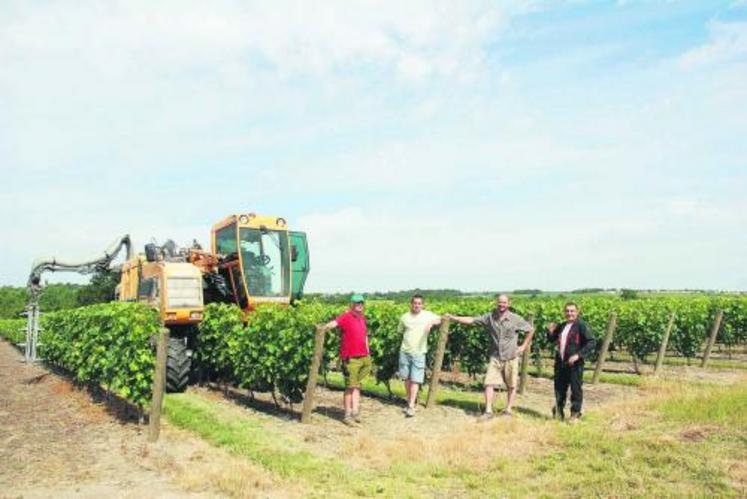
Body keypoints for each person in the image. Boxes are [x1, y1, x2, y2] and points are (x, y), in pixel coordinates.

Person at [446, 294, 534, 420]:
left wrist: (523, 346)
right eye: (499, 302)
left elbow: (530, 330)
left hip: (511, 357)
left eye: (504, 303)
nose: (501, 305)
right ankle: (488, 411)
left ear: (509, 304)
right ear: (496, 303)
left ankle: (508, 410)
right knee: (488, 383)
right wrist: (453, 318)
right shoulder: (489, 317)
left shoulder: (515, 319)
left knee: (511, 385)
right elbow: (472, 320)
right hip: (495, 356)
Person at [322, 294, 371, 427]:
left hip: (364, 357)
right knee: (350, 387)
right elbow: (334, 323)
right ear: (351, 304)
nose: (359, 305)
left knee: (356, 385)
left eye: (361, 303)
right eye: (356, 303)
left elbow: (365, 336)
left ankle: (355, 413)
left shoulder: (362, 318)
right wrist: (323, 328)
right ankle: (347, 415)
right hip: (351, 358)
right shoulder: (346, 316)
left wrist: (368, 352)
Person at [546, 302, 596, 423]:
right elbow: (552, 339)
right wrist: (549, 331)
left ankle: (575, 414)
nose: (569, 313)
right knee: (559, 388)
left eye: (572, 311)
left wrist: (578, 355)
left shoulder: (581, 325)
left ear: (577, 312)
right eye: (567, 311)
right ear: (564, 312)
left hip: (575, 364)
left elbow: (591, 342)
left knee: (575, 389)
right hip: (561, 363)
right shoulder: (562, 325)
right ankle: (558, 411)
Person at [397, 294, 441, 417]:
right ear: (411, 304)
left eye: (419, 303)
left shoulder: (427, 315)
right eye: (415, 303)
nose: (417, 305)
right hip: (404, 351)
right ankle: (409, 401)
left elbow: (441, 318)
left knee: (416, 379)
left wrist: (431, 323)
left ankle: (411, 405)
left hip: (419, 352)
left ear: (422, 305)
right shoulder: (404, 317)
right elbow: (400, 331)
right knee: (406, 378)